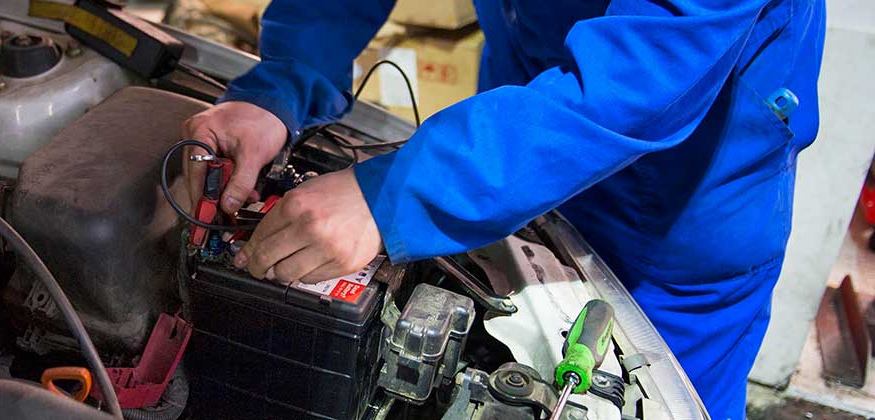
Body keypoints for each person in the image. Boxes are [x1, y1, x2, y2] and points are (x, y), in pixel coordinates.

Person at [180, 0, 825, 418]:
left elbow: (640, 78)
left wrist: (400, 195)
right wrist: (279, 88)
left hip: (673, 220)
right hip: (511, 131)